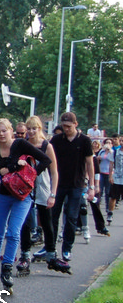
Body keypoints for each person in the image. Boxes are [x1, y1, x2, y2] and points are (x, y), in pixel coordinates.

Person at [0, 118, 51, 292]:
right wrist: (6, 168)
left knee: (14, 232)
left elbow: (45, 160)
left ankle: (7, 268)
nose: (1, 134)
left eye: (4, 131)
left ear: (11, 130)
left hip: (22, 195)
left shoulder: (21, 144)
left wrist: (31, 174)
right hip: (2, 194)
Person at [49, 112, 95, 263]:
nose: (66, 129)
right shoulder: (57, 140)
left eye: (69, 126)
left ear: (76, 124)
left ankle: (67, 248)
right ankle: (51, 247)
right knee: (53, 215)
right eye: (64, 126)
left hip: (76, 184)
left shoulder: (84, 141)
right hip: (59, 183)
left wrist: (92, 185)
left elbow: (89, 163)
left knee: (71, 216)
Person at [23, 116, 60, 274]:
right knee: (25, 222)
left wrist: (53, 193)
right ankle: (25, 253)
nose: (31, 132)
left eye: (34, 128)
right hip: (26, 186)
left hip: (43, 186)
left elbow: (54, 172)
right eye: (29, 129)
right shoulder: (24, 144)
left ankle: (51, 253)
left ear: (39, 129)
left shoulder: (46, 146)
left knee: (46, 220)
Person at [97, 137, 115, 215]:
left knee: (108, 191)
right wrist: (98, 158)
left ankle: (108, 207)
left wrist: (109, 150)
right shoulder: (102, 151)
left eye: (110, 143)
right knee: (99, 190)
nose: (108, 144)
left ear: (112, 144)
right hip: (101, 172)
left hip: (109, 173)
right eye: (107, 142)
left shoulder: (113, 152)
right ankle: (97, 206)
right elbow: (97, 160)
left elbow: (112, 162)